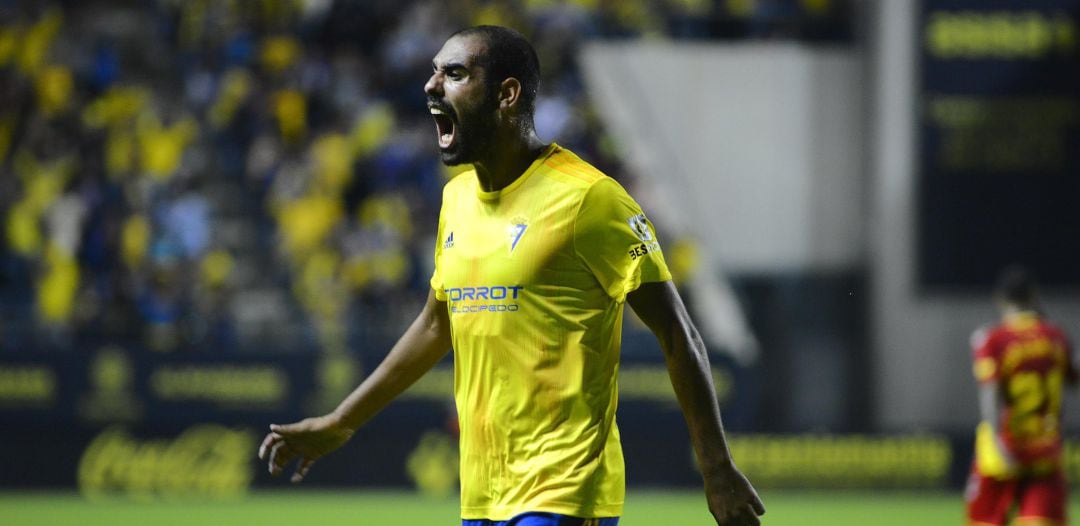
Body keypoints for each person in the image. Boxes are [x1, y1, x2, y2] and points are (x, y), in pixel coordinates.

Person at [258, 25, 764, 526]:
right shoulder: (456, 201)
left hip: (563, 491)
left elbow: (678, 333)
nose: (432, 85)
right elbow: (438, 326)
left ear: (507, 94)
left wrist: (715, 467)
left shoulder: (589, 199)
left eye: (454, 74)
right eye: (434, 72)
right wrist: (342, 421)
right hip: (483, 496)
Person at [966, 266, 1077, 526]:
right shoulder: (1056, 337)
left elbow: (990, 393)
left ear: (1000, 300)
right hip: (1044, 453)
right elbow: (1073, 378)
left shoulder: (992, 339)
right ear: (1035, 296)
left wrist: (996, 439)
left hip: (1002, 455)